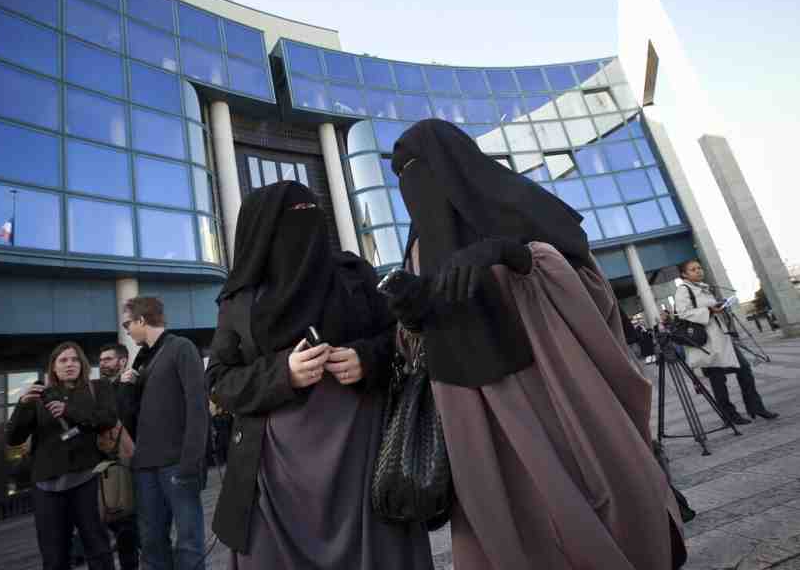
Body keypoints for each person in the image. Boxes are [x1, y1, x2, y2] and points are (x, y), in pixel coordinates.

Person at [385, 119, 685, 570]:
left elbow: (594, 293)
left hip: (555, 385)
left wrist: (515, 255)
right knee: (514, 525)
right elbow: (419, 344)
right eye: (401, 174)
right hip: (473, 409)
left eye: (416, 167)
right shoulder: (417, 249)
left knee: (603, 494)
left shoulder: (518, 207)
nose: (412, 183)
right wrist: (410, 315)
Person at [206, 181, 433, 570]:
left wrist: (366, 358)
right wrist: (283, 373)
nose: (305, 225)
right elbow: (219, 380)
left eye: (311, 214)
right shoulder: (240, 300)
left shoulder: (354, 274)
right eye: (291, 217)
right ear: (263, 230)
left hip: (364, 458)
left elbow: (395, 337)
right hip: (272, 472)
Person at [6, 341, 116, 570]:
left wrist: (69, 411)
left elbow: (107, 419)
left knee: (98, 547)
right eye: (63, 360)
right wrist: (22, 406)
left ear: (83, 364)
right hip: (47, 487)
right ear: (53, 368)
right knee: (54, 556)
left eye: (75, 359)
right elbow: (13, 438)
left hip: (86, 478)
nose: (70, 364)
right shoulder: (38, 395)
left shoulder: (97, 388)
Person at [118, 296, 208, 570]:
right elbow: (128, 417)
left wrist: (191, 462)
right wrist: (127, 387)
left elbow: (197, 407)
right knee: (152, 542)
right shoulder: (141, 361)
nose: (127, 331)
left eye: (127, 324)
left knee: (189, 542)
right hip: (145, 467)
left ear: (142, 320)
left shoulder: (181, 347)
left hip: (177, 464)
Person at [675, 259, 778, 424]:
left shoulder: (704, 287)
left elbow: (708, 309)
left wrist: (719, 307)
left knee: (744, 368)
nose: (699, 271)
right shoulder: (683, 290)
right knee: (718, 380)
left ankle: (755, 407)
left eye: (699, 268)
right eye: (693, 269)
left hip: (721, 337)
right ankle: (730, 415)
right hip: (707, 342)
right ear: (684, 274)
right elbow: (683, 313)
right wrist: (709, 310)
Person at [96, 344, 139, 570]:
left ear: (122, 362)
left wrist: (125, 386)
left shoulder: (132, 384)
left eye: (108, 359)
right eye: (101, 360)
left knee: (129, 527)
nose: (102, 363)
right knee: (122, 525)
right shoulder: (100, 390)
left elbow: (124, 417)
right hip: (111, 468)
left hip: (133, 464)